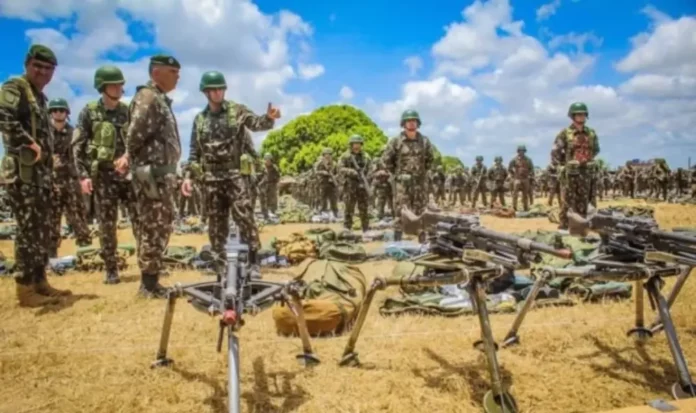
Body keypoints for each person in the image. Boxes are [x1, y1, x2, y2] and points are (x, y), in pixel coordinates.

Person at [181, 70, 280, 273]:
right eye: (213, 89)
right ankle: (220, 263)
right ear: (206, 93)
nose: (218, 93)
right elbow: (193, 153)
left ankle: (253, 261)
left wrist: (268, 119)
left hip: (234, 175)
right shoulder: (199, 120)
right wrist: (188, 177)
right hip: (210, 178)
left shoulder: (237, 110)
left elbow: (256, 123)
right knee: (216, 222)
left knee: (245, 217)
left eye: (220, 89)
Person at [0, 44, 68, 307]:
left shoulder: (39, 98)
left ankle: (39, 281)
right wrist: (28, 142)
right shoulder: (14, 88)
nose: (42, 72)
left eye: (48, 68)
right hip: (23, 174)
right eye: (37, 66)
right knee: (28, 231)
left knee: (41, 231)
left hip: (40, 176)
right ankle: (25, 288)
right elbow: (4, 117)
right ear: (27, 64)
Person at [73, 65, 139, 285]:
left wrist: (127, 157)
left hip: (127, 176)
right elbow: (78, 148)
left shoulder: (127, 111)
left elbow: (136, 141)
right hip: (103, 177)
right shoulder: (89, 112)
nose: (119, 88)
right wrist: (83, 176)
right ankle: (111, 269)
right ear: (102, 87)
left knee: (140, 220)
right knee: (106, 224)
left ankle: (147, 264)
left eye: (121, 84)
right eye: (114, 84)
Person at [125, 54, 182, 298]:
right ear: (156, 72)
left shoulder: (159, 99)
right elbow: (134, 134)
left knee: (161, 227)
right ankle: (147, 285)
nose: (177, 76)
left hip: (162, 177)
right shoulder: (148, 97)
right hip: (153, 177)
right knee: (152, 227)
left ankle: (153, 280)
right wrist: (132, 160)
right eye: (173, 72)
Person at [48, 98, 92, 257]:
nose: (58, 113)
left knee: (78, 219)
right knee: (52, 221)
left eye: (61, 110)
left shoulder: (74, 133)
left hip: (71, 183)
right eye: (55, 110)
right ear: (50, 113)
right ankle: (51, 258)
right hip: (51, 183)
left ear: (67, 113)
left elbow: (81, 156)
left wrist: (83, 177)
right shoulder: (45, 133)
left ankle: (86, 255)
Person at [382, 110, 434, 241]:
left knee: (421, 212)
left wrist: (421, 174)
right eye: (408, 121)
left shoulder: (425, 141)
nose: (411, 123)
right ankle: (397, 242)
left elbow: (430, 160)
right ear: (403, 124)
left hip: (420, 185)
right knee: (400, 212)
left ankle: (422, 241)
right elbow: (386, 160)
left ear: (418, 123)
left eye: (414, 121)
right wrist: (398, 175)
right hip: (402, 185)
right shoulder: (396, 141)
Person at [552, 102, 600, 229]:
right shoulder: (565, 133)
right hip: (570, 173)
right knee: (567, 201)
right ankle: (564, 226)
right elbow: (555, 152)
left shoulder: (591, 133)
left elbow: (595, 149)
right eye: (578, 114)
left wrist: (586, 160)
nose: (581, 117)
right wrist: (561, 166)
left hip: (586, 173)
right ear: (572, 116)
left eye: (583, 114)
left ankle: (582, 227)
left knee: (586, 200)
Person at [339, 135, 372, 232]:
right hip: (350, 186)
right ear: (351, 145)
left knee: (364, 209)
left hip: (362, 186)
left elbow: (371, 169)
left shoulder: (366, 157)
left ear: (361, 144)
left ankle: (366, 229)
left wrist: (367, 178)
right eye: (354, 144)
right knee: (349, 209)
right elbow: (340, 168)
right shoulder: (345, 156)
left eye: (358, 143)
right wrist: (351, 171)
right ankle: (347, 229)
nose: (356, 146)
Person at [314, 148, 339, 218]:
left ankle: (334, 212)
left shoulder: (334, 164)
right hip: (323, 183)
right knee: (323, 198)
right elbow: (315, 172)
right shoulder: (320, 163)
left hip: (332, 183)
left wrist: (334, 177)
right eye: (326, 155)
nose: (327, 156)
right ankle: (323, 211)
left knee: (333, 198)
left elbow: (338, 173)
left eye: (329, 155)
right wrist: (323, 172)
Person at [508, 146, 534, 211]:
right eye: (520, 151)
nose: (521, 152)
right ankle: (514, 207)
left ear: (524, 151)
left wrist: (530, 175)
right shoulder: (514, 159)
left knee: (525, 194)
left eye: (523, 151)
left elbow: (532, 169)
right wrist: (513, 174)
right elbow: (509, 168)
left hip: (525, 179)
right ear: (518, 151)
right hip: (517, 179)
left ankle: (525, 208)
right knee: (515, 194)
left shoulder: (528, 160)